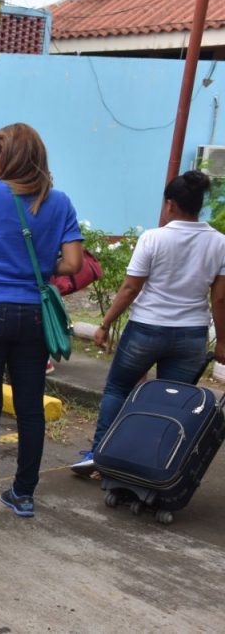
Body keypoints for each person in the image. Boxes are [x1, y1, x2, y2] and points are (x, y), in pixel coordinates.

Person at [0, 123, 82, 522]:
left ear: (6, 156)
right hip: (33, 315)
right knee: (29, 408)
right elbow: (74, 264)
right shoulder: (60, 201)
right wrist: (43, 264)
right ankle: (23, 494)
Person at [71, 170, 225, 477]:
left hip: (146, 329)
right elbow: (219, 299)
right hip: (191, 336)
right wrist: (221, 341)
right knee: (173, 404)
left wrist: (105, 323)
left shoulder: (153, 238)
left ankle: (101, 456)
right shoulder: (220, 243)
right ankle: (152, 464)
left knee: (118, 388)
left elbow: (130, 288)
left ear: (170, 204)